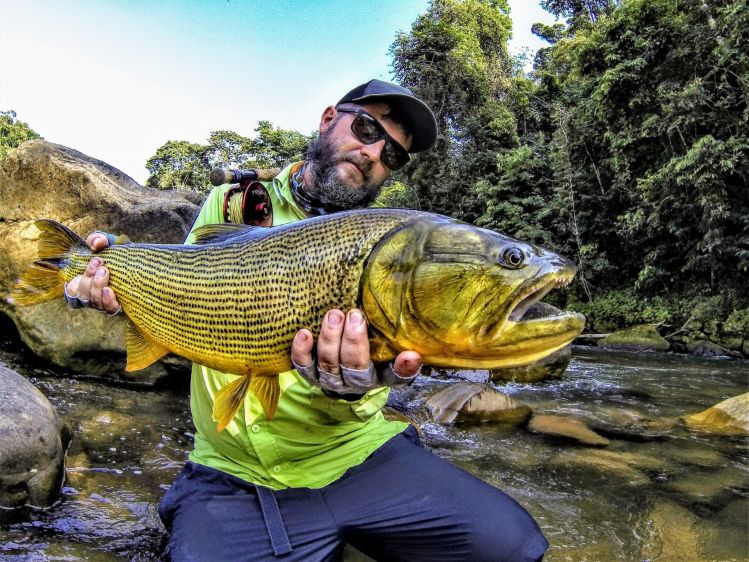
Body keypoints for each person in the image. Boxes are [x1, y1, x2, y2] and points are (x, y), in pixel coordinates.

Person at [65, 80, 548, 562]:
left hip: (355, 456)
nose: (373, 152)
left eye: (393, 156)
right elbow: (181, 282)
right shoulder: (234, 203)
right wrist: (106, 277)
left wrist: (351, 388)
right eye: (365, 127)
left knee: (514, 547)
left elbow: (373, 384)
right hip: (229, 473)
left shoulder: (391, 245)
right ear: (327, 119)